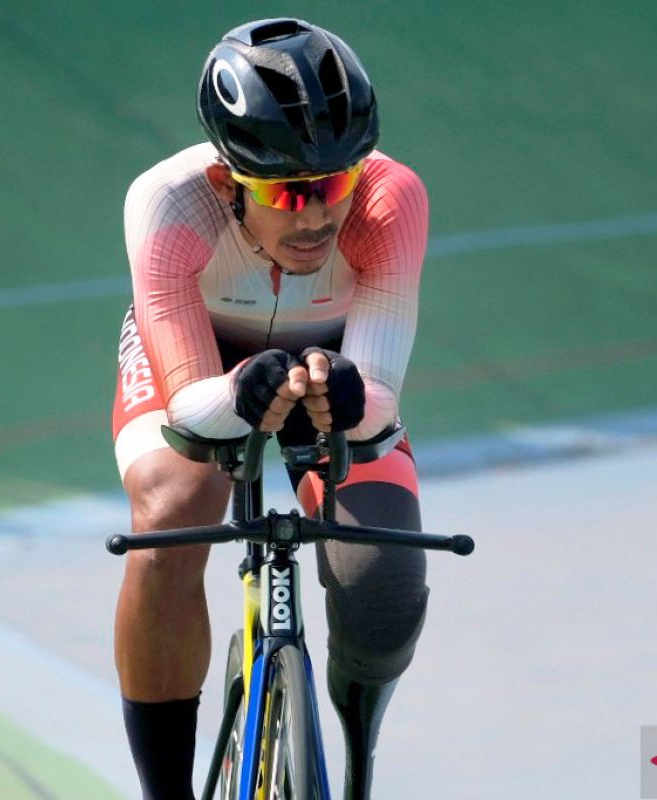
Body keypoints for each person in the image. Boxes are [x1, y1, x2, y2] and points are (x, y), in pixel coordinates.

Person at [110, 18, 430, 799]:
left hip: (333, 368)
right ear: (228, 183)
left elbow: (377, 398)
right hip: (203, 362)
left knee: (383, 589)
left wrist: (351, 394)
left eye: (337, 183)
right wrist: (240, 389)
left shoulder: (394, 199)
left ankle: (355, 766)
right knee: (175, 513)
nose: (319, 215)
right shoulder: (170, 204)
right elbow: (188, 403)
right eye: (290, 192)